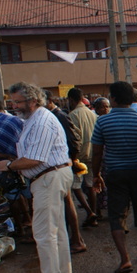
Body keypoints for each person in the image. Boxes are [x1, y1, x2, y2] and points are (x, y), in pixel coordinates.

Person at [0, 82, 73, 273]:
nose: (14, 106)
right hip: (50, 175)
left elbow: (35, 158)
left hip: (48, 176)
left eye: (18, 102)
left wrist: (10, 165)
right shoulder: (34, 118)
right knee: (56, 228)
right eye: (12, 102)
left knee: (43, 231)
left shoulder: (40, 121)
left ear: (32, 101)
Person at [91, 81, 137, 273]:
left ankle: (125, 259)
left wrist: (96, 175)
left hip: (115, 173)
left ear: (115, 99)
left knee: (116, 215)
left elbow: (97, 153)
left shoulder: (102, 121)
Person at [44, 91, 87, 254]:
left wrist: (72, 160)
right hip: (61, 164)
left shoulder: (59, 116)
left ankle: (76, 239)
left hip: (62, 165)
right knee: (64, 202)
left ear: (48, 101)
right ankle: (73, 238)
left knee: (68, 201)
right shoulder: (53, 116)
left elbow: (74, 140)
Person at [0, 100, 31, 240]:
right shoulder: (19, 121)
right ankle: (33, 227)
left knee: (13, 197)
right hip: (24, 163)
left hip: (6, 166)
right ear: (3, 109)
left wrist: (6, 156)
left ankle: (20, 229)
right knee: (29, 195)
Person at [67, 88, 99, 228]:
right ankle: (93, 213)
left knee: (76, 186)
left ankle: (90, 212)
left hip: (79, 157)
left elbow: (75, 139)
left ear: (72, 100)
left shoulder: (73, 115)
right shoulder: (92, 114)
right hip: (93, 154)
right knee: (91, 185)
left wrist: (73, 158)